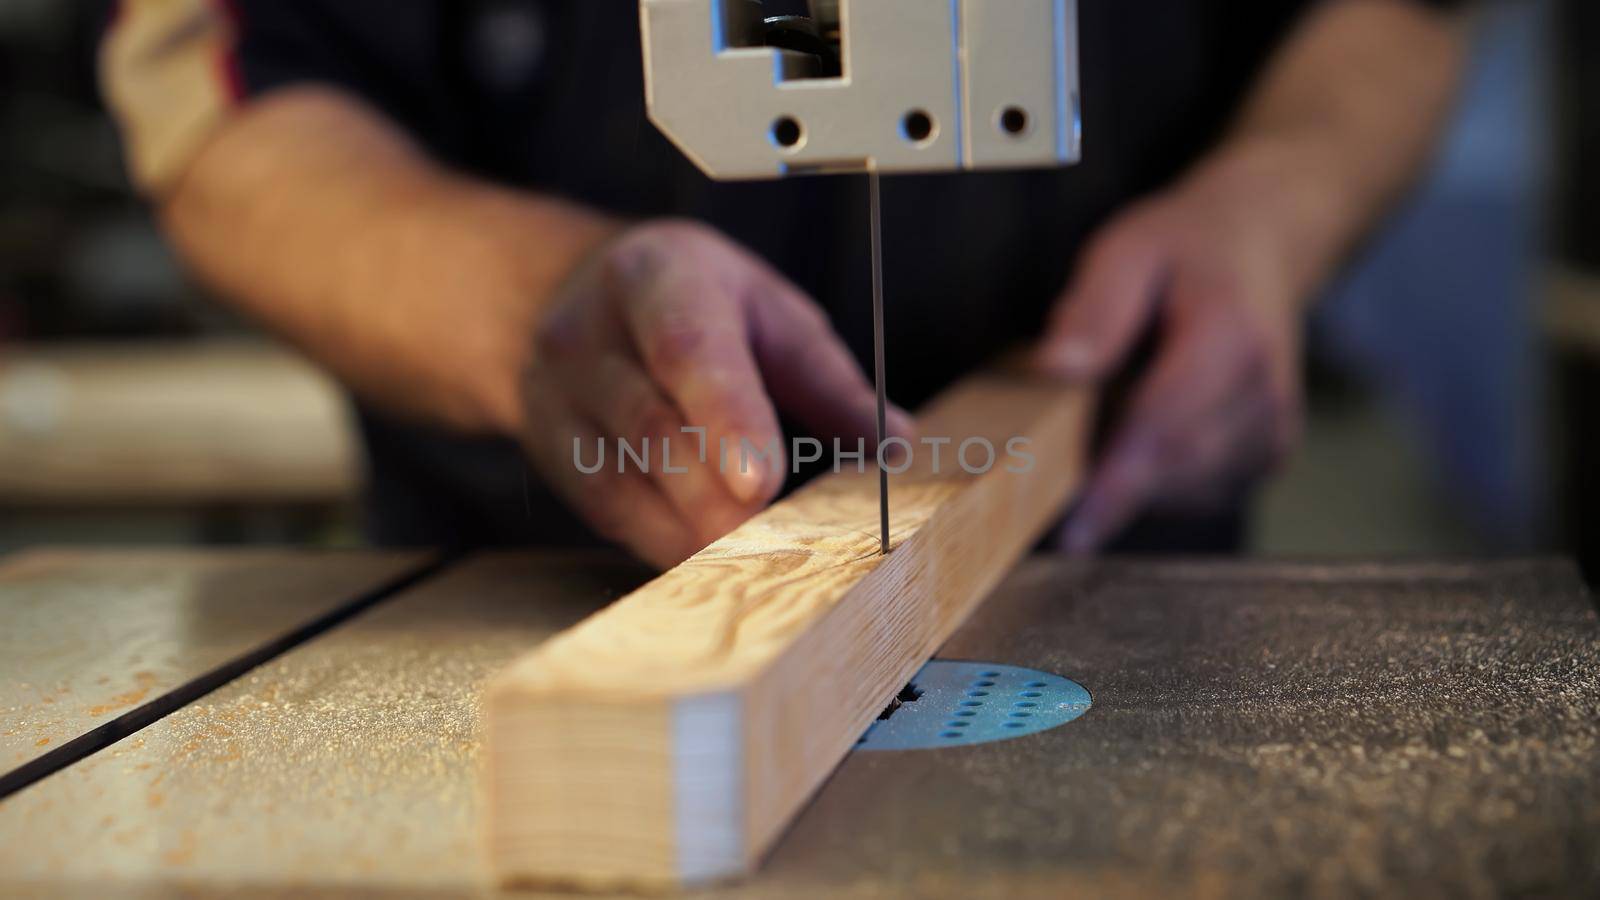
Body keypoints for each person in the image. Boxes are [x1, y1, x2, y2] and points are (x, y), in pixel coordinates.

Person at [99, 0, 1468, 568]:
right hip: (527, 564)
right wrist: (532, 298)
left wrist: (1271, 207)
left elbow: (1398, 16)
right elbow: (231, 103)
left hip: (1118, 530)